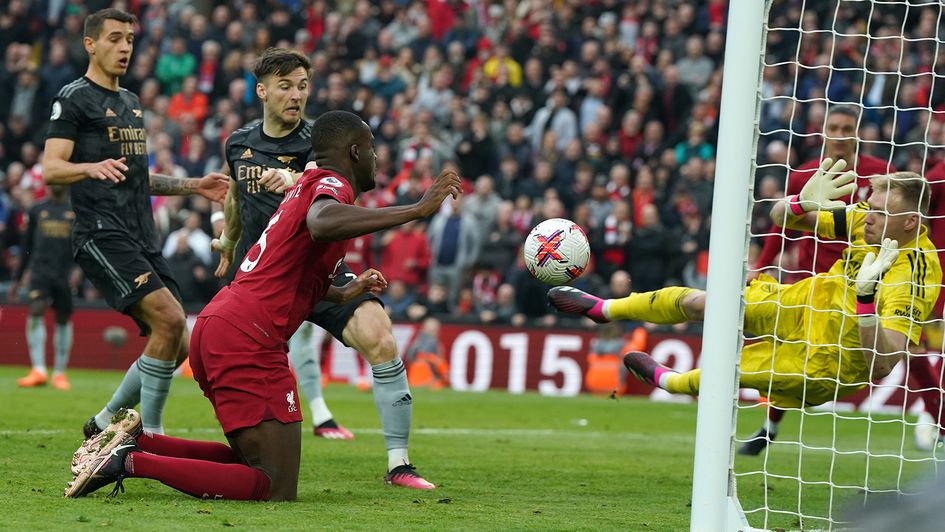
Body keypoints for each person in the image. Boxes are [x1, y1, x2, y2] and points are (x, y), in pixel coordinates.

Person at [65, 110, 462, 500]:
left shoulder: (302, 186)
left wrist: (344, 292)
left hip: (222, 324)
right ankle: (128, 462)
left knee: (248, 460)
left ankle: (138, 442)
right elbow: (322, 222)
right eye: (373, 149)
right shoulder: (330, 184)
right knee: (272, 484)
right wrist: (416, 210)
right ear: (355, 152)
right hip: (247, 338)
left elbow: (286, 275)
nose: (378, 158)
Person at [549, 161, 941, 434]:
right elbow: (780, 219)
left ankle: (670, 382)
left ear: (911, 222)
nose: (868, 216)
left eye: (879, 212)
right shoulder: (862, 217)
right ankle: (605, 308)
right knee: (706, 302)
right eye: (869, 207)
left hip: (832, 359)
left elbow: (884, 362)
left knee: (731, 368)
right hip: (803, 303)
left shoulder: (919, 273)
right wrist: (799, 203)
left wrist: (866, 301)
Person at [210, 47, 434, 485]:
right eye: (286, 86)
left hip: (319, 270)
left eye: (303, 86)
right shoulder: (239, 143)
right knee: (200, 346)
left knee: (381, 339)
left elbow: (334, 190)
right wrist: (229, 241)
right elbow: (235, 195)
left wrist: (293, 178)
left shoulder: (319, 141)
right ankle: (140, 429)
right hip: (263, 275)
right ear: (262, 91)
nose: (296, 95)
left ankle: (399, 464)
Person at [41, 9, 228, 436]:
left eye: (129, 38)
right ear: (91, 44)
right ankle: (152, 435)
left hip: (142, 234)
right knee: (169, 320)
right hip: (100, 233)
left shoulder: (131, 104)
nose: (125, 47)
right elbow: (51, 168)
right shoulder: (73, 98)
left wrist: (195, 185)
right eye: (114, 38)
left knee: (179, 339)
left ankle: (105, 421)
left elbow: (141, 179)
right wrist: (89, 168)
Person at [751, 104, 944, 455]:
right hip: (816, 274)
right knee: (789, 343)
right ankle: (771, 423)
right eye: (834, 128)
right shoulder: (806, 174)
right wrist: (763, 263)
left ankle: (939, 421)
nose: (840, 136)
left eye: (846, 128)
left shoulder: (880, 174)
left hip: (870, 274)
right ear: (822, 132)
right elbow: (782, 224)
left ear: (858, 133)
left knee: (908, 349)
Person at [9, 184, 76, 390]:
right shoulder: (37, 210)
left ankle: (59, 372)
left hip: (64, 273)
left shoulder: (75, 211)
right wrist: (18, 278)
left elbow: (82, 243)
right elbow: (26, 246)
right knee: (36, 309)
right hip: (40, 271)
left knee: (63, 317)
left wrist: (79, 271)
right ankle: (38, 369)